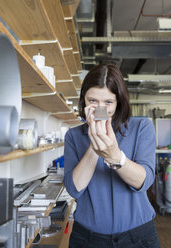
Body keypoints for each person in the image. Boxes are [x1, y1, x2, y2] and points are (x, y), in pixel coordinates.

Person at [63, 64, 160, 248]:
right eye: (93, 100)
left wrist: (115, 156)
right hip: (88, 239)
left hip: (137, 236)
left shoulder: (142, 127)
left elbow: (144, 182)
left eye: (108, 102)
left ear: (119, 102)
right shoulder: (73, 136)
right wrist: (95, 142)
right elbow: (75, 189)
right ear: (83, 99)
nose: (100, 108)